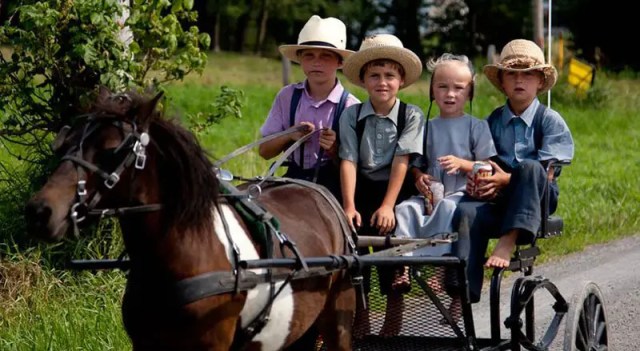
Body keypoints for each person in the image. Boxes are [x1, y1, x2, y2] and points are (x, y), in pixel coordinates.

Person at [452, 39, 575, 303]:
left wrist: (506, 179)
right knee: (465, 211)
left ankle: (508, 239)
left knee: (530, 167)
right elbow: (482, 159)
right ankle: (461, 288)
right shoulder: (494, 121)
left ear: (540, 82)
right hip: (497, 201)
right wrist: (481, 176)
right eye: (512, 74)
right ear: (503, 84)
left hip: (537, 200)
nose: (520, 81)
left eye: (528, 74)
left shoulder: (549, 120)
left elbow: (547, 174)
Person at [393, 53, 497, 322]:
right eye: (442, 87)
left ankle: (441, 268)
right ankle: (402, 264)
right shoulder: (426, 127)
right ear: (432, 90)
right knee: (404, 210)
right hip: (431, 192)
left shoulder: (477, 126)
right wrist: (418, 177)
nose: (450, 94)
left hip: (463, 192)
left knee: (449, 208)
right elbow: (416, 162)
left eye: (458, 88)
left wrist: (463, 164)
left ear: (469, 93)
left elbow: (486, 165)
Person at [339, 33, 424, 337]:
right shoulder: (351, 115)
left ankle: (391, 330)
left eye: (390, 75)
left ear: (401, 80)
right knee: (355, 259)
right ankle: (360, 325)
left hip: (395, 189)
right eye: (374, 75)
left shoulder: (410, 114)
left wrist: (388, 205)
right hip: (360, 188)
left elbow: (403, 159)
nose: (382, 82)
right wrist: (348, 205)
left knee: (390, 256)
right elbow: (347, 159)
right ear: (363, 81)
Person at [259, 15, 360, 203]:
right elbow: (264, 151)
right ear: (300, 60)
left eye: (325, 56)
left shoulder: (350, 106)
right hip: (292, 178)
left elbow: (356, 168)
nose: (316, 62)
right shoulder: (287, 96)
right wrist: (288, 135)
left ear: (340, 62)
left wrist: (334, 150)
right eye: (309, 56)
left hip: (333, 186)